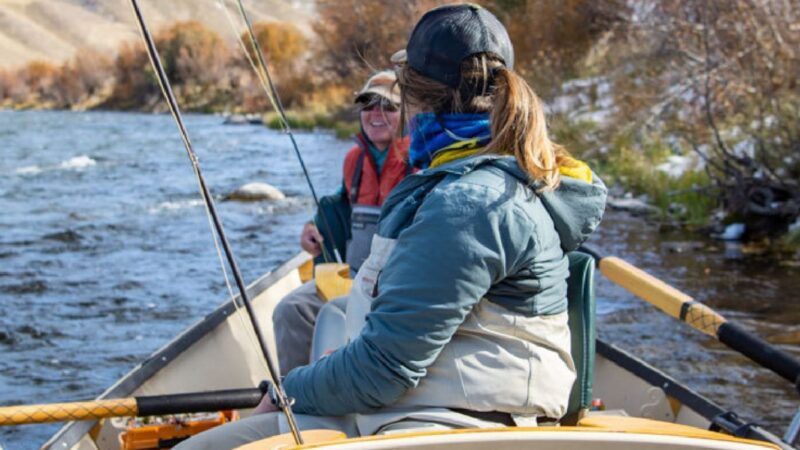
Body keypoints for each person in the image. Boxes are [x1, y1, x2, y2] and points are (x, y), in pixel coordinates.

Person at [176, 4, 606, 449]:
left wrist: (290, 389)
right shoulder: (477, 185)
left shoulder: (469, 204)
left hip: (447, 427)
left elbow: (383, 369)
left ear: (415, 98)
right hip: (428, 410)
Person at [274, 69, 412, 375]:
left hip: (397, 285)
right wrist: (313, 228)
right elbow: (341, 201)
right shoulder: (354, 159)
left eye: (388, 106)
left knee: (338, 315)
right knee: (291, 310)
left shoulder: (421, 156)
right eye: (368, 104)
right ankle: (296, 397)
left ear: (406, 113)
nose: (376, 114)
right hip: (351, 278)